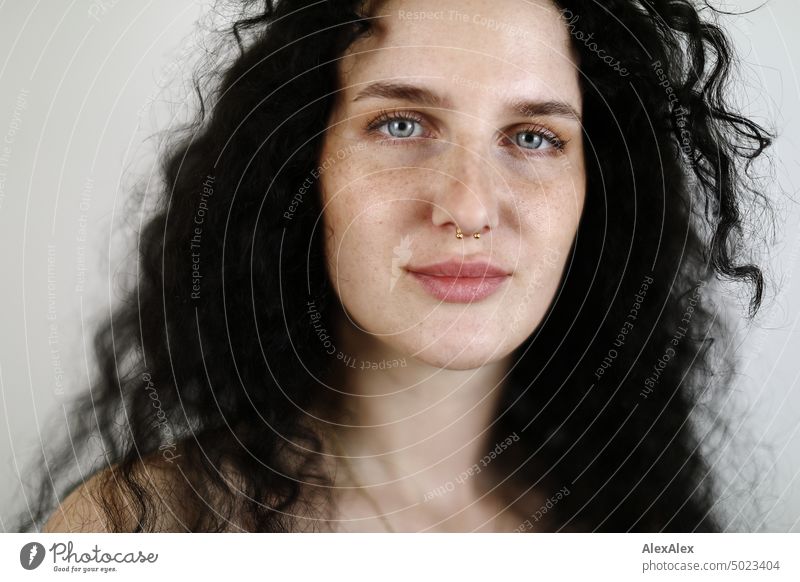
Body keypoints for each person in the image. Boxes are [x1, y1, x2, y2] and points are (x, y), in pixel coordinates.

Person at [21, 0, 772, 533]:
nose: (470, 206)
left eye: (535, 137)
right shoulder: (136, 530)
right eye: (401, 123)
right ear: (301, 167)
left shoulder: (638, 521)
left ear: (595, 191)